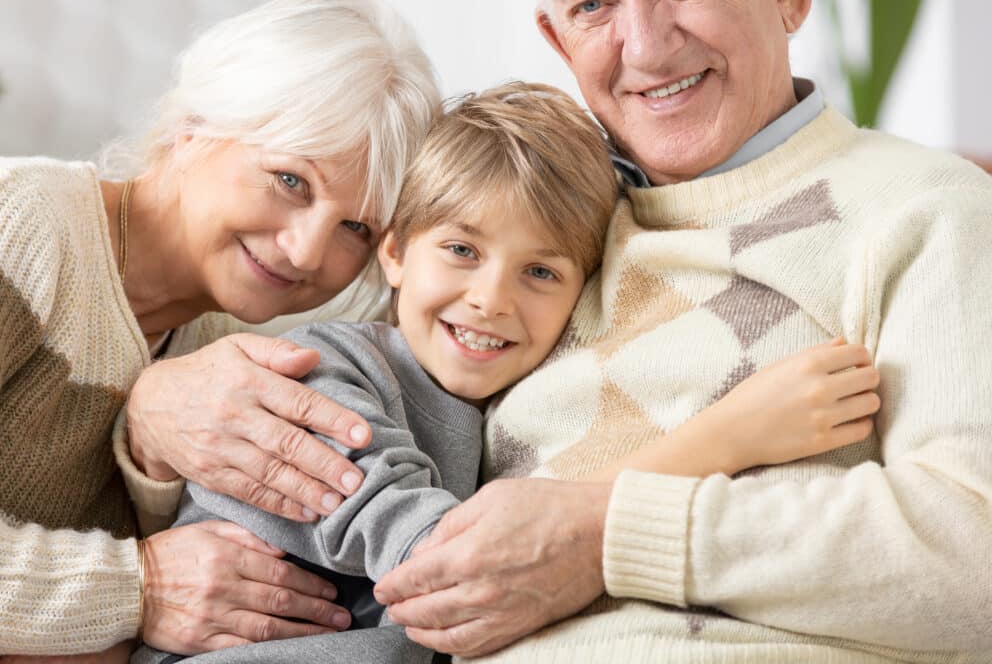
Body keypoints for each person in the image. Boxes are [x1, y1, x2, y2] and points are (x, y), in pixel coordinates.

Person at [123, 0, 992, 662]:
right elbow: (329, 368)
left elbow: (974, 560)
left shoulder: (922, 212)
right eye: (593, 7)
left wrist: (609, 530)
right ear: (555, 34)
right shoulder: (542, 213)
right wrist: (153, 411)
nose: (646, 46)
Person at [0, 0, 441, 662]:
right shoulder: (7, 221)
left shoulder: (224, 357)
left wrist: (152, 446)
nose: (308, 250)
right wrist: (142, 587)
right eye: (290, 181)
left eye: (355, 228)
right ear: (194, 128)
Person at [132, 83, 880, 664]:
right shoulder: (320, 376)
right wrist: (733, 435)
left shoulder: (503, 409)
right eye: (460, 250)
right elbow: (447, 566)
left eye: (541, 272)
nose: (492, 298)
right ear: (393, 251)